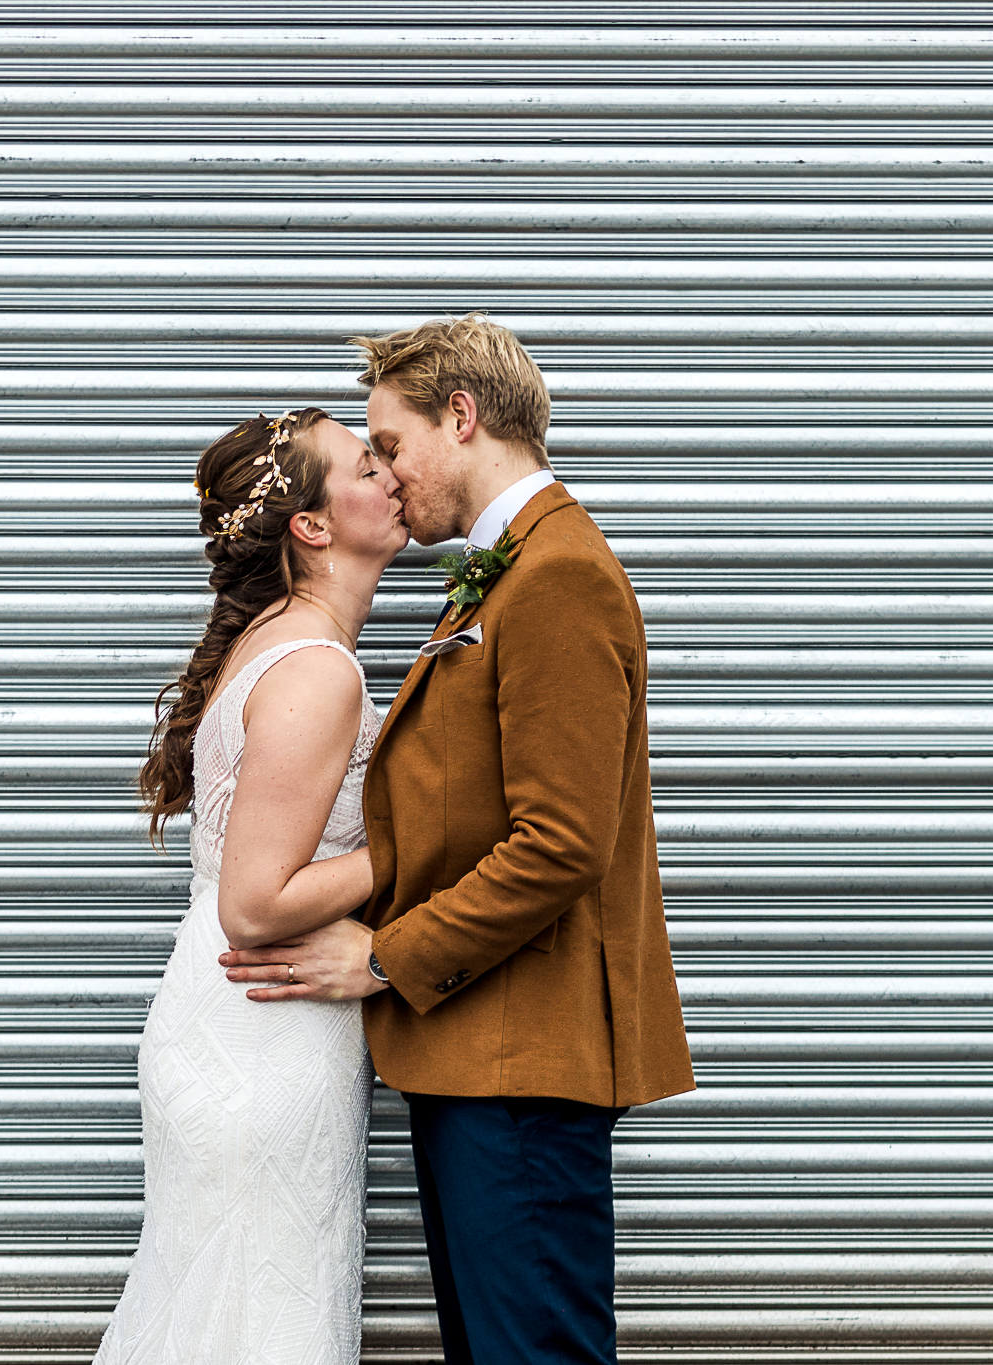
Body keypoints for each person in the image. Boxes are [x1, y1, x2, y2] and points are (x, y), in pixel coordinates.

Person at [221, 314, 696, 1364]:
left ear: (462, 417)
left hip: (521, 1061)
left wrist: (384, 954)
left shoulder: (557, 575)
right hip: (482, 1055)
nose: (386, 475)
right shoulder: (507, 569)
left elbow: (561, 843)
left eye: (389, 445)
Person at [96, 405, 408, 1364]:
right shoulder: (318, 668)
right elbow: (256, 902)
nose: (394, 474)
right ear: (310, 526)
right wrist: (418, 850)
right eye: (366, 466)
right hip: (261, 1030)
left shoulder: (283, 640)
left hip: (236, 1018)